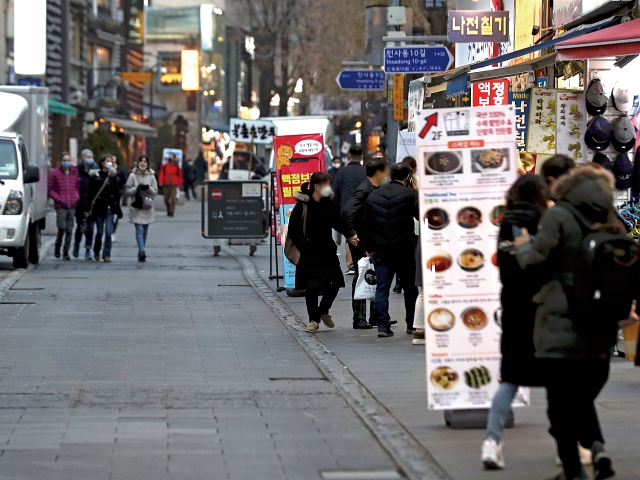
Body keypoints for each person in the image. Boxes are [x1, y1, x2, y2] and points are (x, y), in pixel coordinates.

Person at [515, 166, 622, 480]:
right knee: (582, 397)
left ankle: (574, 471)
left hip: (559, 321)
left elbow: (535, 263)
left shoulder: (558, 215)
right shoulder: (611, 220)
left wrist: (522, 244)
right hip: (600, 324)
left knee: (560, 403)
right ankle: (597, 447)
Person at [481, 175, 549, 470]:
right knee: (558, 378)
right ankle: (570, 447)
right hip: (542, 305)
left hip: (512, 303)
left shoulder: (505, 222)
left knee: (509, 378)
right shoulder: (545, 220)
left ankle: (491, 442)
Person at [287, 172, 357, 333]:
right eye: (325, 184)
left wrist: (350, 235)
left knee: (336, 282)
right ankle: (313, 320)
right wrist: (305, 246)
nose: (328, 188)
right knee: (311, 287)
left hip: (327, 250)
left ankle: (323, 310)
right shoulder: (303, 205)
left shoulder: (328, 204)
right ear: (317, 186)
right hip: (309, 253)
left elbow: (338, 223)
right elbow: (294, 229)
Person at [363, 163, 419, 337]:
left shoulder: (374, 195)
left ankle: (383, 326)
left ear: (390, 176)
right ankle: (412, 323)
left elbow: (366, 225)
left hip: (380, 249)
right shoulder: (410, 195)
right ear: (407, 177)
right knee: (410, 287)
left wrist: (368, 248)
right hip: (405, 248)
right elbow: (422, 217)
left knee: (382, 288)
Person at [342, 157, 389, 329]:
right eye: (386, 170)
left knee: (374, 275)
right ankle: (359, 318)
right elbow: (347, 213)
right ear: (378, 172)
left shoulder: (375, 188)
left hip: (372, 240)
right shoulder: (364, 190)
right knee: (361, 276)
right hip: (362, 241)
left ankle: (375, 316)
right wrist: (352, 235)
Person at [333, 145, 366, 275]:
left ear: (349, 156)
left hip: (347, 212)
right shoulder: (366, 171)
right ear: (362, 157)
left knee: (350, 239)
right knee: (363, 239)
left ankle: (353, 265)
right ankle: (364, 264)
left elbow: (335, 194)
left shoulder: (341, 172)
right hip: (364, 211)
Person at [86, 154, 119, 262]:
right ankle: (96, 250)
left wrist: (117, 207)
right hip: (98, 208)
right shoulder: (95, 175)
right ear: (102, 162)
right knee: (99, 232)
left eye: (111, 161)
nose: (109, 162)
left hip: (109, 207)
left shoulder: (113, 176)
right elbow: (90, 193)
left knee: (109, 232)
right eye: (107, 160)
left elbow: (116, 192)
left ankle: (106, 254)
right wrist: (88, 208)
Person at [125, 155, 158, 262]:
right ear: (138, 163)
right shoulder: (132, 176)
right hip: (136, 206)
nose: (143, 163)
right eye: (141, 161)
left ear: (148, 164)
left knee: (144, 230)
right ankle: (142, 251)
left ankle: (141, 250)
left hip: (147, 206)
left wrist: (148, 188)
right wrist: (137, 188)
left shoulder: (152, 176)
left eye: (145, 161)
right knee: (139, 229)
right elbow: (128, 190)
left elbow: (155, 192)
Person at [48, 152, 80, 261]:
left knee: (70, 229)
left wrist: (76, 197)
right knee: (61, 228)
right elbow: (50, 189)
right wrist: (58, 199)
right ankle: (58, 246)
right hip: (61, 204)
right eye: (64, 160)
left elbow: (77, 186)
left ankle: (66, 252)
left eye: (68, 160)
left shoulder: (74, 171)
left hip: (72, 204)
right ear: (61, 161)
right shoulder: (55, 173)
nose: (67, 162)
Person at [73, 149, 97, 258]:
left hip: (92, 203)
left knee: (90, 227)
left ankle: (88, 249)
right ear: (82, 158)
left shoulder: (96, 169)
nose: (90, 159)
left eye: (91, 156)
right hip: (80, 203)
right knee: (81, 226)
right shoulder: (77, 170)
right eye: (87, 156)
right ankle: (77, 244)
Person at [109, 153, 127, 243]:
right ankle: (108, 231)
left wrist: (122, 191)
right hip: (107, 196)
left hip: (117, 197)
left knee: (115, 216)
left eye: (113, 158)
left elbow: (124, 182)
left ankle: (112, 232)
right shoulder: (106, 170)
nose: (111, 160)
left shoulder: (120, 171)